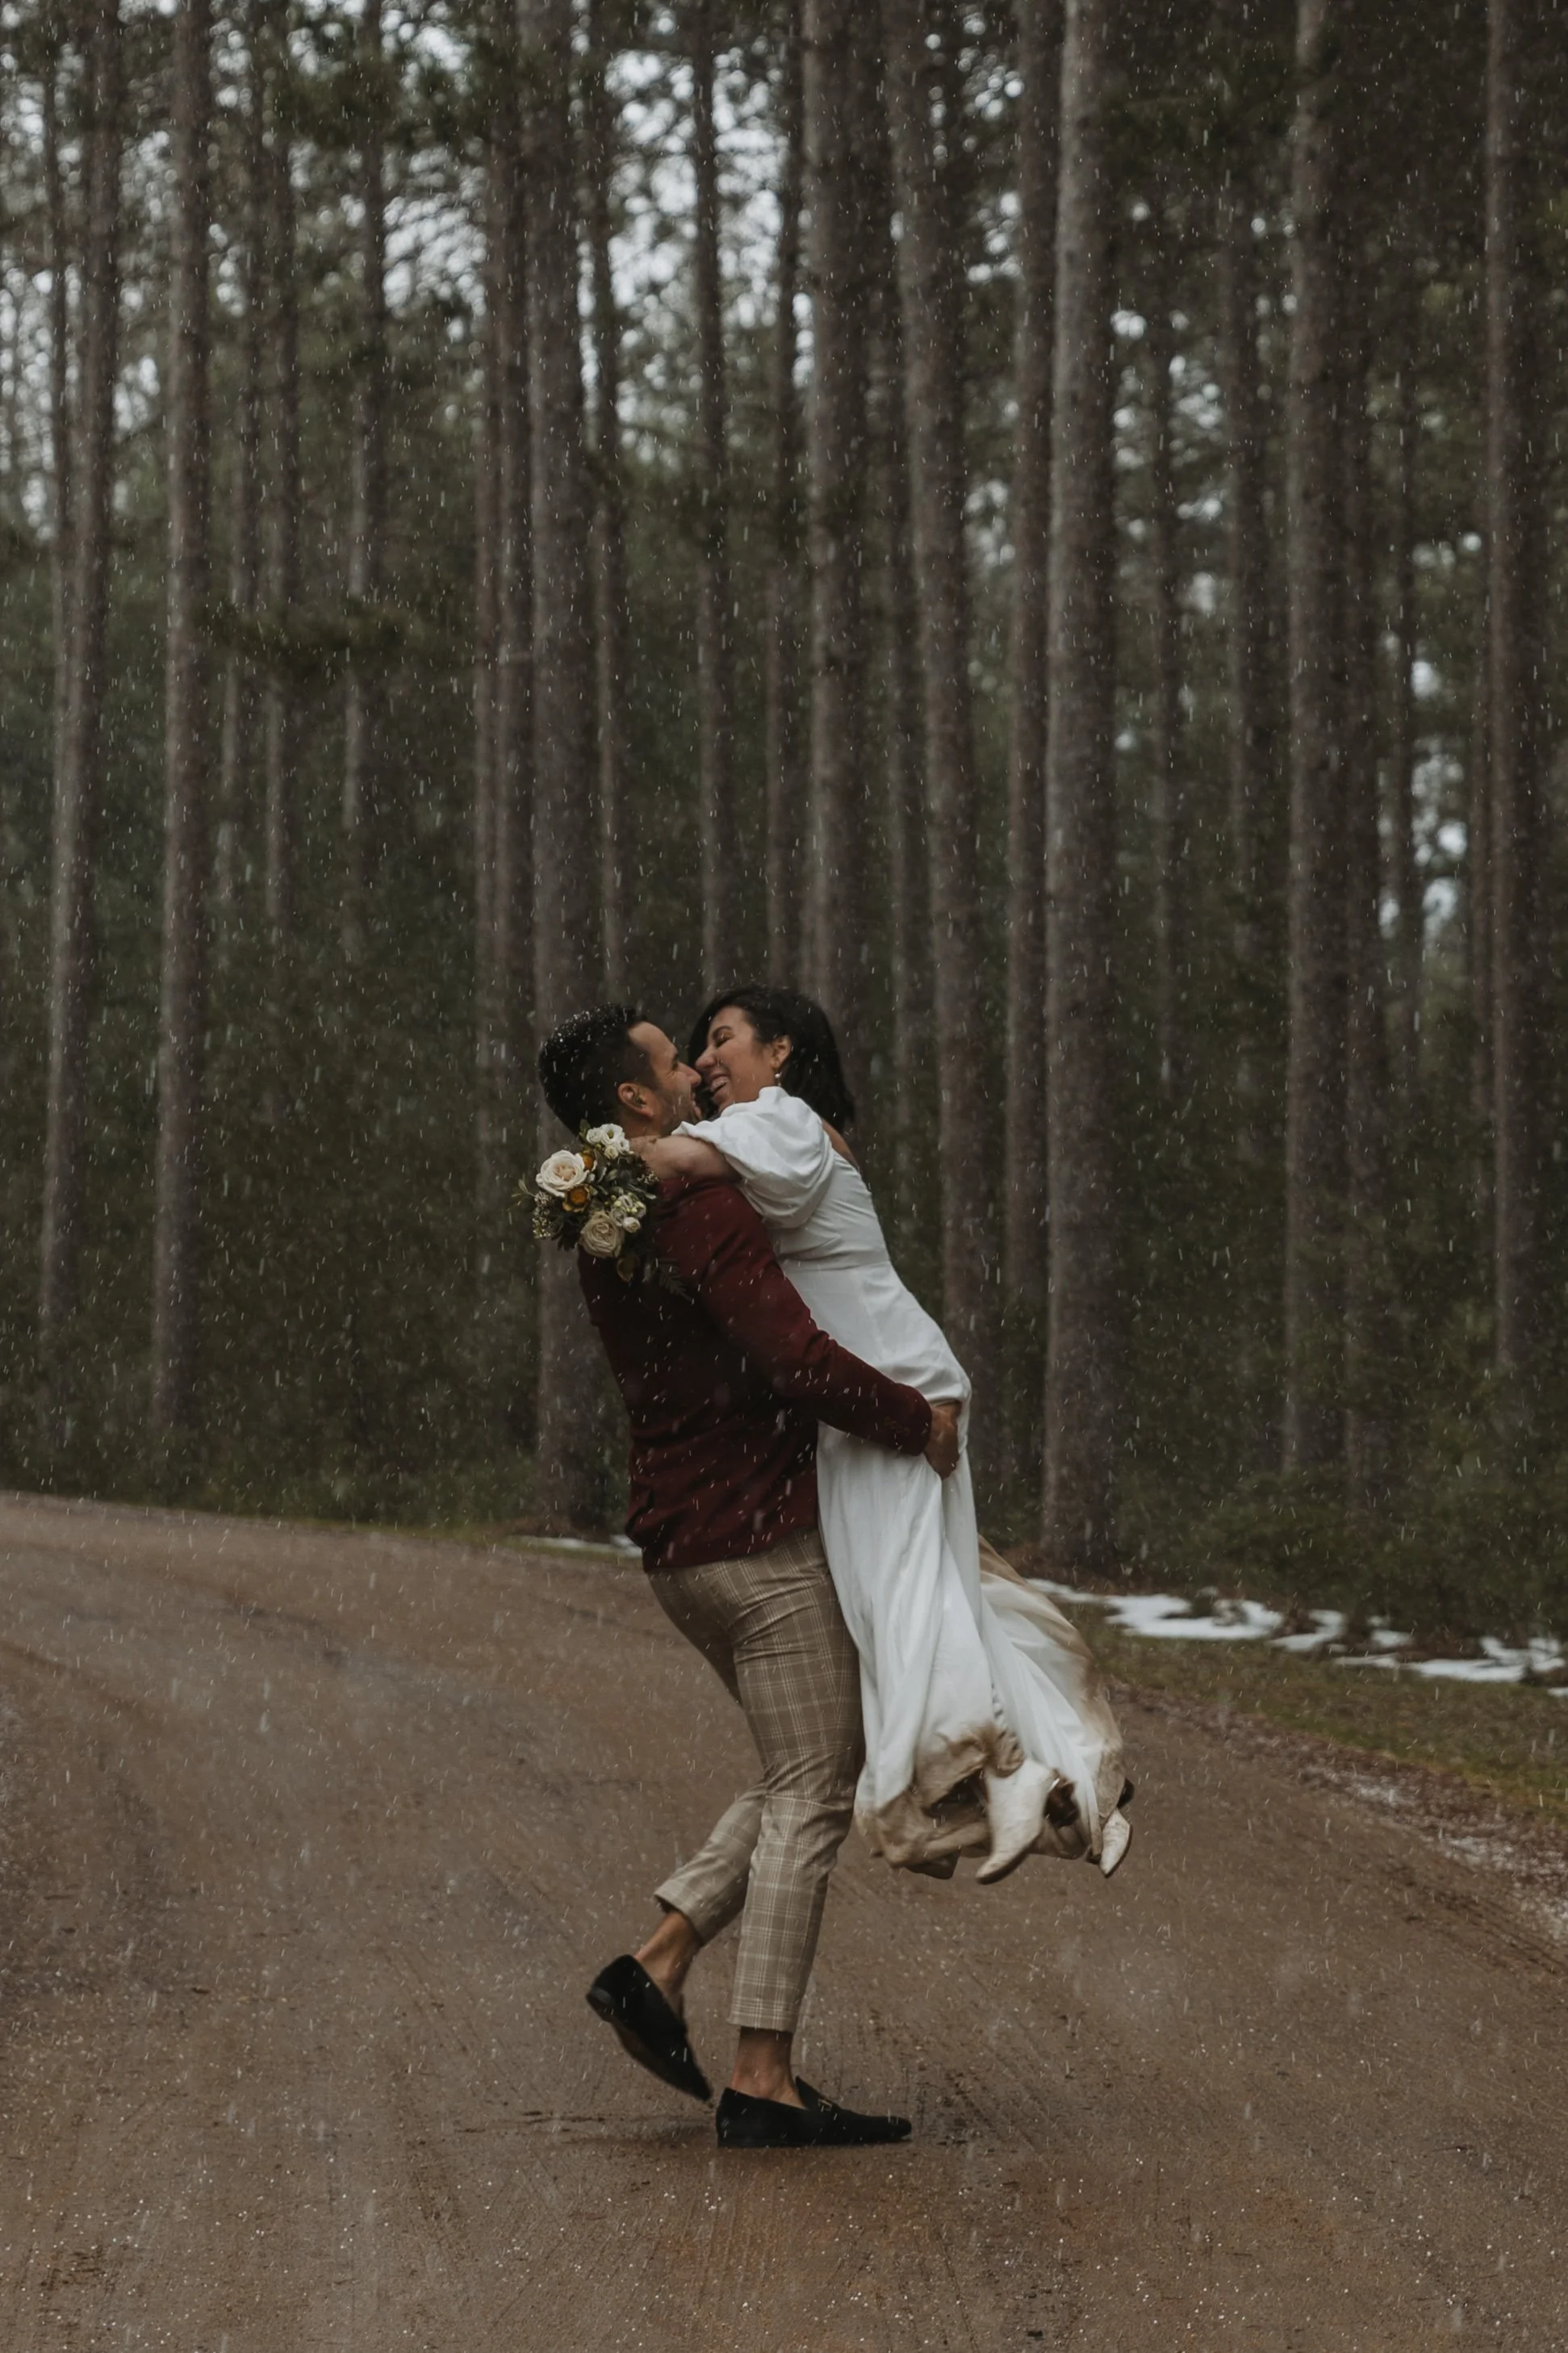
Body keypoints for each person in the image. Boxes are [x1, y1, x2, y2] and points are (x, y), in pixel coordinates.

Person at [537, 1005, 960, 2152]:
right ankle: (761, 2074)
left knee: (799, 1768)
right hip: (756, 1542)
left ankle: (656, 1964)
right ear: (636, 1098)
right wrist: (914, 1418)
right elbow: (793, 1358)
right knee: (813, 1791)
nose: (692, 1068)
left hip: (680, 1540)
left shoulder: (606, 1219)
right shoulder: (698, 1205)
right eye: (673, 1059)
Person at [634, 985, 1131, 1884]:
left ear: (780, 1052)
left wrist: (587, 1165)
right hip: (875, 1393)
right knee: (917, 1593)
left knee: (902, 1599)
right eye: (698, 1047)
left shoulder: (780, 1119)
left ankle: (1002, 1773)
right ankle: (1048, 1772)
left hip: (892, 1394)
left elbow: (674, 1160)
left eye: (722, 1038)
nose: (704, 1061)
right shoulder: (775, 1132)